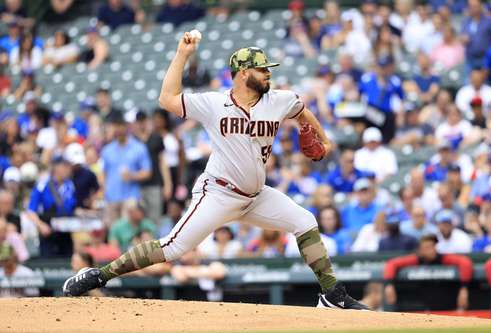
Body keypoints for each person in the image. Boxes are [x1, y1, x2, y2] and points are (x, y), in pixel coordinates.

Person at [62, 37, 369, 310]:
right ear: (245, 73)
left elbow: (302, 111)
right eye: (263, 69)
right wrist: (182, 54)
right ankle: (98, 275)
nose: (269, 73)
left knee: (305, 222)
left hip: (256, 195)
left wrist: (323, 138)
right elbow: (166, 100)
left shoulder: (279, 100)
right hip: (218, 193)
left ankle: (333, 295)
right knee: (172, 247)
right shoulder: (214, 103)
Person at [383, 234, 472, 311]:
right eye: (426, 247)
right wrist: (389, 285)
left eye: (432, 246)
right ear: (420, 250)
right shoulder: (416, 259)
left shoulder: (443, 259)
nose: (430, 250)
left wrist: (464, 288)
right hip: (419, 306)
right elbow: (391, 264)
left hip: (446, 305)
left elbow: (465, 262)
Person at [101, 113, 151, 227]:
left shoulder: (138, 147)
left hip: (130, 196)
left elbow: (147, 172)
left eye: (120, 126)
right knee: (113, 231)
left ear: (126, 127)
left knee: (129, 230)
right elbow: (104, 173)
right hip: (111, 196)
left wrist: (132, 176)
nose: (118, 129)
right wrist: (105, 189)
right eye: (115, 126)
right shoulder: (107, 150)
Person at [25, 156, 76, 257]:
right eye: (64, 166)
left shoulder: (70, 185)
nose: (68, 169)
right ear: (56, 167)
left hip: (65, 231)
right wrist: (41, 225)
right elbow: (31, 211)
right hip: (48, 230)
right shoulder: (42, 185)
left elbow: (72, 207)